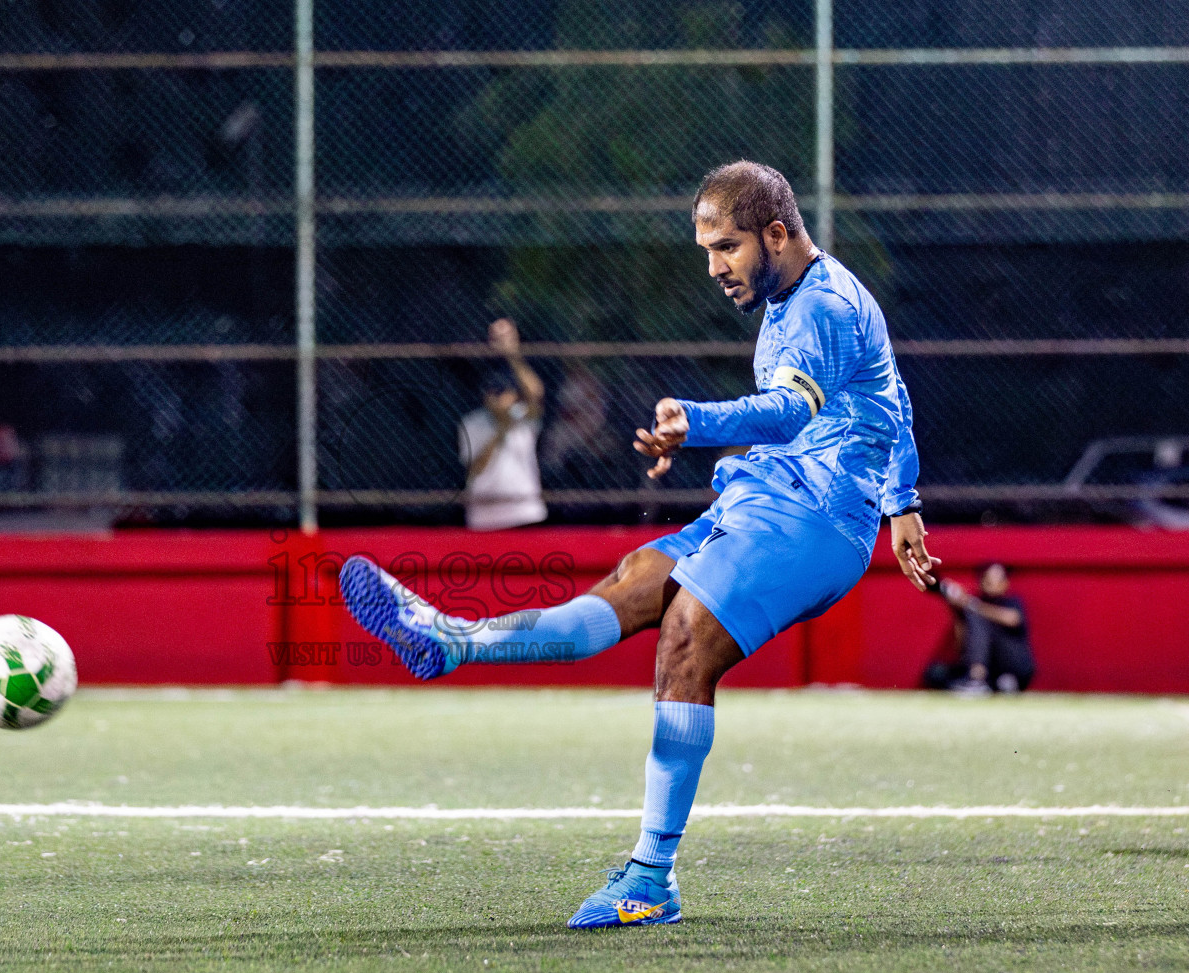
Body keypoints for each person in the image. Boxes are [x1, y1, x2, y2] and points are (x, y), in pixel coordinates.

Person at [339, 161, 934, 929]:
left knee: (686, 634)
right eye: (707, 251)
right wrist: (906, 502)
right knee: (633, 582)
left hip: (816, 520)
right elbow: (891, 391)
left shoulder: (821, 305)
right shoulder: (803, 295)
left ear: (777, 233)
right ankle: (454, 642)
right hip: (766, 496)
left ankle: (651, 878)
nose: (715, 268)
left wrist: (697, 420)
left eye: (727, 248)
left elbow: (791, 411)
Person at [457, 319, 548, 531]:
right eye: (495, 393)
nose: (501, 399)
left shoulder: (523, 417)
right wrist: (501, 429)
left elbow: (536, 394)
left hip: (524, 512)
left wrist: (512, 353)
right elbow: (475, 468)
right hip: (484, 517)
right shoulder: (473, 423)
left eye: (506, 393)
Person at [924, 563, 1034, 694]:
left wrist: (971, 604)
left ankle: (978, 679)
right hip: (989, 669)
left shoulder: (1011, 602)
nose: (991, 582)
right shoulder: (974, 606)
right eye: (987, 578)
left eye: (997, 578)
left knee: (976, 616)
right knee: (936, 673)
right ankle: (980, 682)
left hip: (1012, 665)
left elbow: (1012, 619)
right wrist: (956, 610)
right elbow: (961, 646)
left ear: (1005, 582)